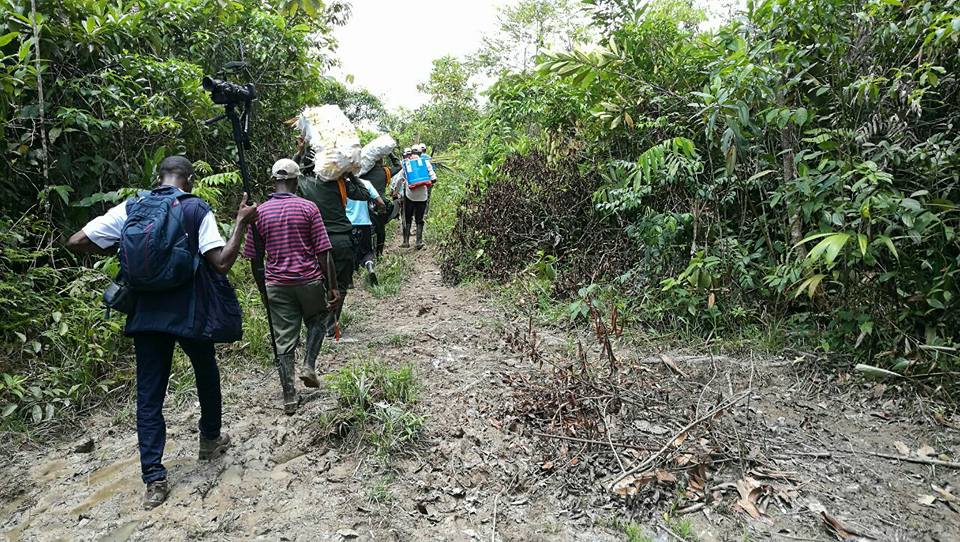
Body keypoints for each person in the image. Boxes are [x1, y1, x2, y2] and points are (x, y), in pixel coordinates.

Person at [66, 156, 257, 510]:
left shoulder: (133, 206)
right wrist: (242, 223)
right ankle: (210, 439)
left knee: (149, 395)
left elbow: (77, 240)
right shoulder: (196, 209)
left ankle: (154, 479)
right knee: (205, 371)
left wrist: (119, 245)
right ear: (190, 180)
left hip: (146, 315)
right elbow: (222, 262)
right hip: (190, 312)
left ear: (159, 177)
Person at [243, 159, 339, 415]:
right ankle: (308, 365)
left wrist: (263, 289)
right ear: (296, 181)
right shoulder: (308, 208)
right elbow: (323, 252)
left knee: (283, 339)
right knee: (318, 319)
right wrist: (332, 287)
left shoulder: (258, 213)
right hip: (308, 280)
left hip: (276, 282)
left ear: (274, 181)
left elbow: (255, 258)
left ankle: (288, 396)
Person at [295, 140, 374, 337]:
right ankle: (331, 324)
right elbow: (364, 194)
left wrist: (299, 152)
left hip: (315, 243)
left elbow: (290, 174)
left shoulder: (305, 184)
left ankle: (318, 324)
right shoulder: (341, 183)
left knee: (318, 284)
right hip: (341, 241)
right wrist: (350, 176)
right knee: (341, 285)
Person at [392, 146, 435, 250]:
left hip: (409, 196)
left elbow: (398, 180)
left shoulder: (407, 165)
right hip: (423, 197)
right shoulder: (426, 163)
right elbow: (434, 178)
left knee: (408, 218)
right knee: (419, 219)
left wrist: (395, 192)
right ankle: (418, 242)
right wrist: (425, 183)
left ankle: (406, 242)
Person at [360, 154, 401, 258]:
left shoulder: (363, 173)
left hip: (364, 204)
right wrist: (391, 154)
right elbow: (399, 166)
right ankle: (379, 253)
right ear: (381, 161)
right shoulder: (385, 172)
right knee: (381, 229)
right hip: (379, 204)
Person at [347, 177, 386, 284]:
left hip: (346, 225)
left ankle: (350, 281)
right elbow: (381, 203)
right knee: (367, 251)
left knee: (349, 252)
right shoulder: (366, 183)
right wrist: (380, 213)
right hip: (364, 223)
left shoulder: (340, 184)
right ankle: (369, 267)